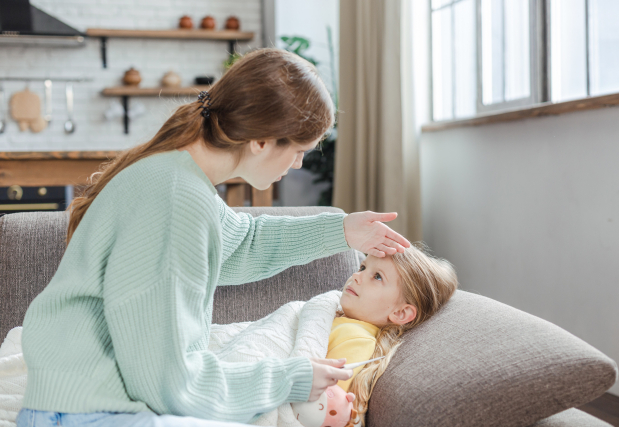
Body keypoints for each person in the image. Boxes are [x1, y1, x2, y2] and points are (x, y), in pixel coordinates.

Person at [15, 48, 412, 427]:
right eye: (298, 150)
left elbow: (240, 243)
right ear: (260, 141)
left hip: (78, 405)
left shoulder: (176, 177)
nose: (299, 163)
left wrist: (341, 230)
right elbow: (171, 384)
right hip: (89, 412)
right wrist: (287, 379)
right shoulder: (176, 200)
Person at [325, 243, 459, 427]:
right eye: (363, 267)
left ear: (400, 313)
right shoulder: (333, 314)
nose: (356, 276)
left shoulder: (356, 339)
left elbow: (326, 400)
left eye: (377, 276)